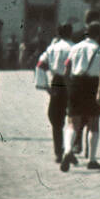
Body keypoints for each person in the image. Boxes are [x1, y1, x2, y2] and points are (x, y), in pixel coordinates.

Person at [61, 23, 100, 171]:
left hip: (76, 82)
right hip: (93, 84)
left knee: (73, 122)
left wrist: (70, 87)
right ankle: (92, 159)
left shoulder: (74, 48)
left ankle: (68, 150)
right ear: (98, 35)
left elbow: (66, 69)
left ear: (85, 34)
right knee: (93, 123)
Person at [36, 23, 74, 162]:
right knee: (73, 117)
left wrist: (45, 86)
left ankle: (59, 151)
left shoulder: (52, 48)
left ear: (58, 34)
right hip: (72, 82)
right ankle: (71, 148)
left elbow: (40, 66)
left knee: (56, 119)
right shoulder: (74, 48)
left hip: (56, 82)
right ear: (71, 33)